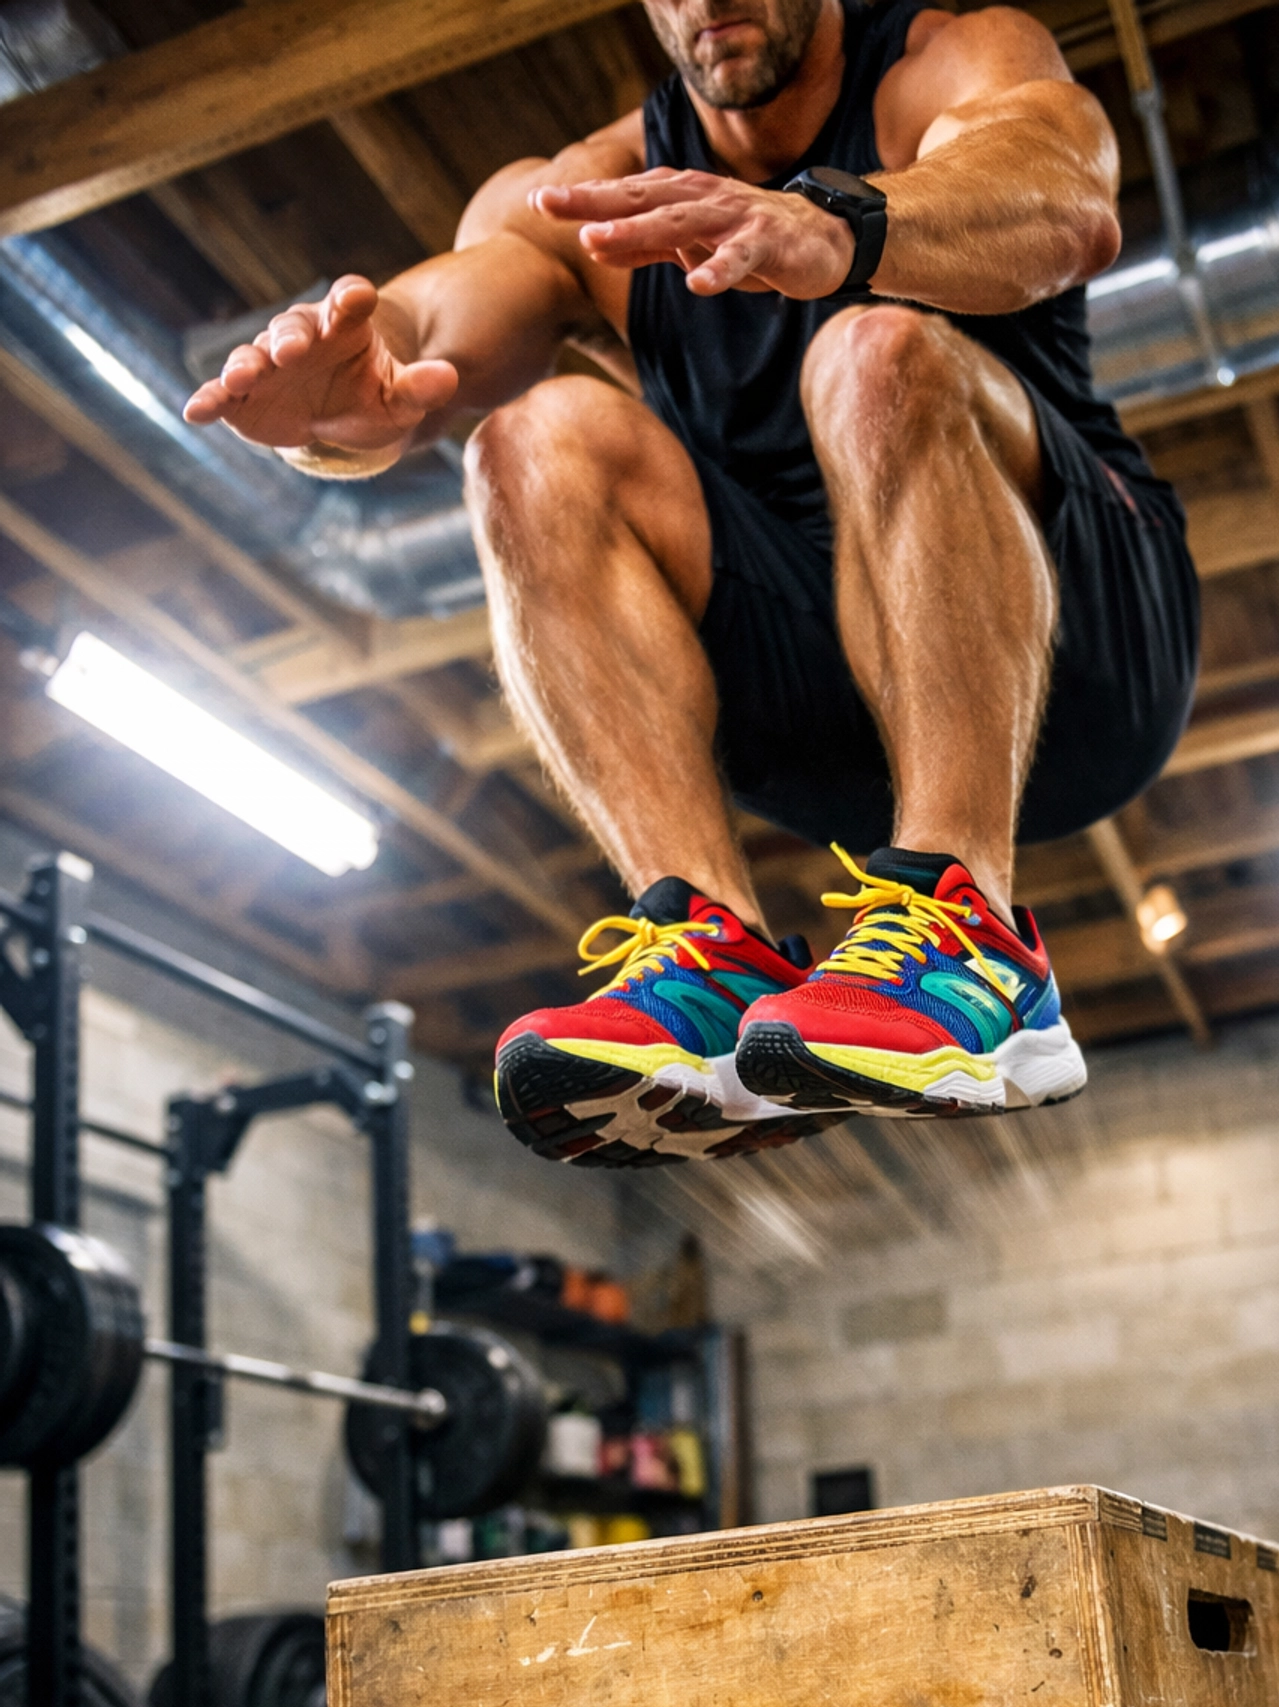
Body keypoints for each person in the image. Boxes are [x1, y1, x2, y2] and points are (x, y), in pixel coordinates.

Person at [185, 0, 1198, 1169]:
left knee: (869, 352)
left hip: (1086, 647)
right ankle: (708, 959)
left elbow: (1066, 196)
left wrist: (847, 226)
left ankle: (974, 944)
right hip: (826, 720)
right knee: (528, 441)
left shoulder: (943, 62)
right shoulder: (594, 189)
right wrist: (346, 405)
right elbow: (432, 319)